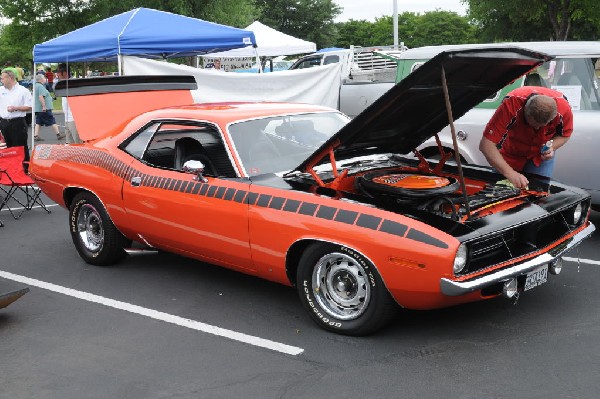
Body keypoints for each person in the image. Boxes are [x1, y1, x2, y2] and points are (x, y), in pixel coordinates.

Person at [479, 86, 573, 189]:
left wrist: (552, 147)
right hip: (511, 154)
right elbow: (486, 145)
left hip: (539, 157)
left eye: (542, 126)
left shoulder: (564, 109)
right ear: (524, 111)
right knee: (498, 192)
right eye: (532, 125)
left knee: (538, 194)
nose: (537, 129)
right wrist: (510, 173)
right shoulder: (511, 104)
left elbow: (565, 135)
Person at [0, 69, 33, 166]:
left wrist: (16, 108)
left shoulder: (23, 90)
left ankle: (25, 168)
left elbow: (29, 107)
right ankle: (11, 169)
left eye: (2, 78)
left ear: (10, 78)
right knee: (7, 147)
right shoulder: (1, 90)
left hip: (17, 122)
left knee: (20, 146)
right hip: (4, 122)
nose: (1, 80)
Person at [33, 74, 64, 141]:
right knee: (52, 120)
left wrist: (51, 99)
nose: (45, 79)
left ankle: (36, 136)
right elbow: (41, 97)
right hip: (44, 109)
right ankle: (58, 134)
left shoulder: (35, 86)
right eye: (44, 78)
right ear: (40, 79)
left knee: (38, 122)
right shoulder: (40, 87)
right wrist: (44, 106)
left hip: (38, 109)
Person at [56, 63, 81, 144]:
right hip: (67, 119)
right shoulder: (64, 84)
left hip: (74, 119)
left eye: (58, 72)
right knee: (70, 145)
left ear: (65, 73)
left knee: (78, 144)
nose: (57, 74)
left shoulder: (72, 84)